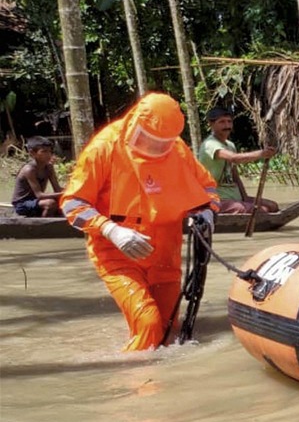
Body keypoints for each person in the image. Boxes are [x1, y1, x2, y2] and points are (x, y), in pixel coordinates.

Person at [61, 93, 220, 351]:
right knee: (148, 324)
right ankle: (137, 385)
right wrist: (111, 230)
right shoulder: (104, 147)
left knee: (169, 331)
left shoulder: (178, 149)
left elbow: (208, 190)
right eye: (147, 141)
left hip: (166, 253)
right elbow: (72, 204)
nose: (153, 149)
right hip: (117, 253)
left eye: (161, 144)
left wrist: (208, 212)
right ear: (134, 125)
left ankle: (169, 386)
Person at [197, 107, 279, 213]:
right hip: (216, 199)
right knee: (263, 210)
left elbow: (235, 175)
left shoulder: (230, 145)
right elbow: (233, 158)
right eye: (222, 122)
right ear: (211, 124)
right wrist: (261, 153)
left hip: (235, 197)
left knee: (273, 206)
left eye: (229, 122)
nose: (227, 126)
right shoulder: (209, 144)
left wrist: (244, 197)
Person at [10, 136, 63, 217]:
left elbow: (57, 189)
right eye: (44, 151)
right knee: (50, 203)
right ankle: (43, 227)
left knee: (65, 201)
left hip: (37, 200)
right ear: (32, 153)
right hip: (22, 203)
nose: (48, 154)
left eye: (50, 151)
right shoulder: (29, 170)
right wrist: (63, 193)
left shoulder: (49, 167)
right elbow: (39, 195)